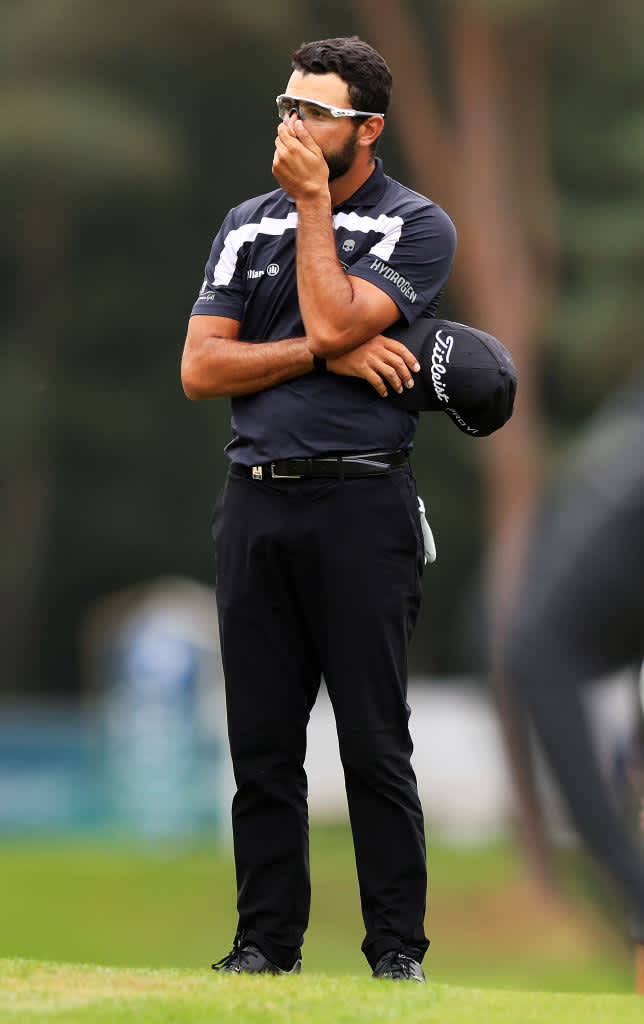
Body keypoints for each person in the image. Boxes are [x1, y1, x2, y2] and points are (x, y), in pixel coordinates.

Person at [181, 36, 456, 982]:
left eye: (315, 113)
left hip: (363, 503)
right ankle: (264, 946)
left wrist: (311, 217)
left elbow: (340, 318)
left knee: (374, 744)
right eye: (286, 106)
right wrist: (322, 352)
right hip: (255, 503)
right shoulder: (244, 222)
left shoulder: (417, 225)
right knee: (261, 746)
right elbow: (200, 368)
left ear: (367, 130)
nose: (291, 126)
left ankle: (395, 954)